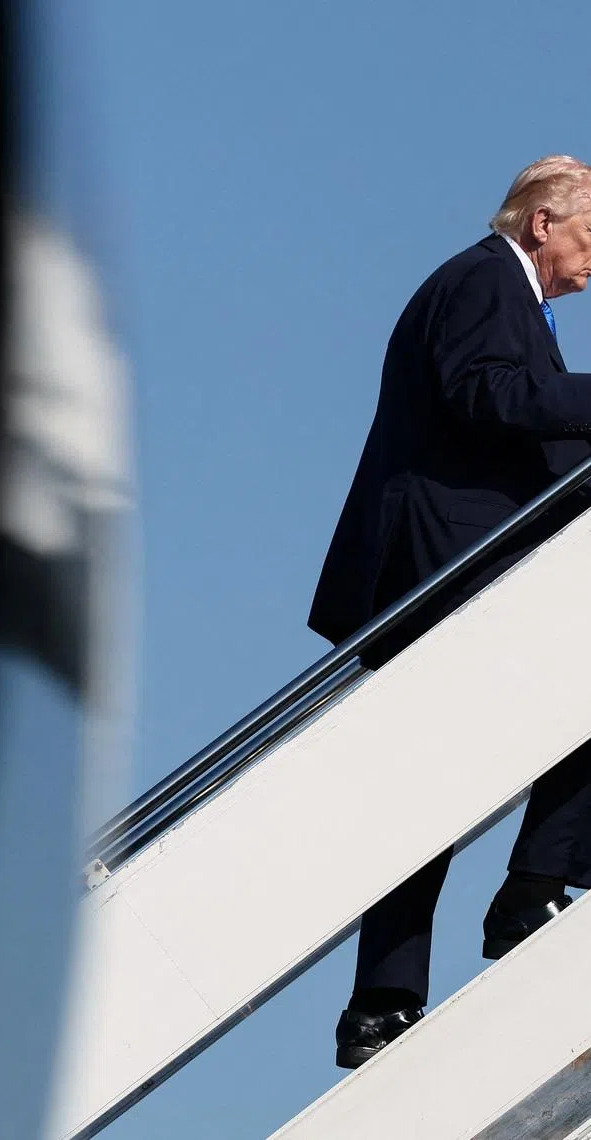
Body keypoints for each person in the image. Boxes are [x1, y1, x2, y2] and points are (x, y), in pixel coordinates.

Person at [307, 155, 591, 1070]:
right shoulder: (483, 279)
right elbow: (487, 393)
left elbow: (526, 435)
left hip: (455, 565)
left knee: (424, 796)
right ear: (542, 222)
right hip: (445, 569)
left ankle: (383, 1002)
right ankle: (530, 890)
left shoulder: (506, 295)